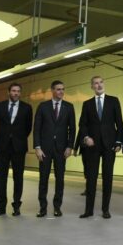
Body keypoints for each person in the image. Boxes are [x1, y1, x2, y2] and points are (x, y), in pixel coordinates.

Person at [77, 76, 123, 219]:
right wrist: (85, 138)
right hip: (92, 146)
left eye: (101, 82)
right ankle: (88, 210)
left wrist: (118, 142)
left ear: (104, 84)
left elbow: (120, 124)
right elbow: (82, 124)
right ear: (92, 87)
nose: (99, 85)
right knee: (91, 178)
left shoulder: (113, 101)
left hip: (109, 146)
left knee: (107, 178)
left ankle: (105, 210)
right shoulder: (87, 104)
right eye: (95, 83)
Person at [33, 80, 76, 217]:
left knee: (60, 179)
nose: (61, 91)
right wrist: (37, 147)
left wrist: (70, 146)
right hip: (44, 149)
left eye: (63, 89)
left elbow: (72, 129)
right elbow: (37, 129)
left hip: (61, 150)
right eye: (58, 89)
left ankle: (57, 207)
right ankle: (43, 207)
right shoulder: (43, 106)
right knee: (43, 179)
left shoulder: (69, 107)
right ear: (52, 90)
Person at [0, 82, 33, 216]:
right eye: (14, 91)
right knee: (1, 177)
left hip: (19, 147)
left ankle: (16, 206)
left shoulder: (27, 108)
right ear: (8, 92)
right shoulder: (0, 106)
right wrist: (5, 137)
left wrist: (17, 139)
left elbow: (28, 128)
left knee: (18, 177)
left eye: (18, 91)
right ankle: (1, 207)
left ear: (20, 93)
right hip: (2, 146)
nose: (16, 93)